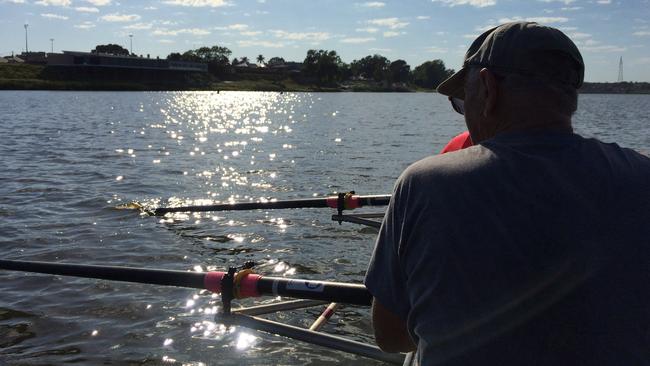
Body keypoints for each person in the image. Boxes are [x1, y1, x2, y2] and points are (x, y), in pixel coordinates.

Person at [365, 21, 650, 365]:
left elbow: (390, 336)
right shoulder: (641, 175)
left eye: (461, 100)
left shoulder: (423, 184)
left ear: (487, 89)